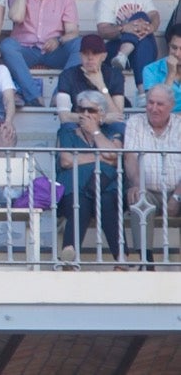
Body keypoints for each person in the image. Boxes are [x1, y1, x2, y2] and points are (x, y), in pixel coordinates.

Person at [0, 0, 82, 107]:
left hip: (54, 51)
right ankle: (34, 97)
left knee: (81, 44)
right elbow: (17, 17)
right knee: (7, 45)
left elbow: (73, 32)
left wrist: (59, 40)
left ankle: (60, 95)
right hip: (25, 51)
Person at [55, 90, 124, 267]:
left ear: (101, 113)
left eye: (91, 110)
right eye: (81, 109)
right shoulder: (67, 131)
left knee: (108, 201)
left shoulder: (112, 132)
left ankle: (121, 258)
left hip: (105, 188)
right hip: (74, 188)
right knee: (80, 203)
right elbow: (66, 160)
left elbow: (114, 156)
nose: (85, 114)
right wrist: (99, 157)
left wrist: (94, 132)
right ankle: (69, 255)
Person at [123, 84, 181, 266]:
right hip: (148, 189)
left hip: (178, 189)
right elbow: (130, 157)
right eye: (150, 102)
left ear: (171, 105)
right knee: (139, 199)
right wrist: (138, 185)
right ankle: (146, 263)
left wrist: (177, 196)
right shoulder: (135, 122)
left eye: (160, 104)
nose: (154, 108)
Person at [96, 0, 159, 106]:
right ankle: (143, 92)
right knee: (140, 19)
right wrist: (124, 28)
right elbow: (103, 31)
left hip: (133, 53)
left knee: (142, 19)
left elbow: (154, 15)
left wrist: (151, 27)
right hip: (114, 49)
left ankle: (124, 54)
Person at [54, 34, 127, 137]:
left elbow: (117, 117)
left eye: (95, 53)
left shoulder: (115, 75)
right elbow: (64, 117)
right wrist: (102, 119)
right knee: (67, 127)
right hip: (79, 127)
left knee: (119, 127)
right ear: (80, 55)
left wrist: (101, 85)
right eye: (85, 53)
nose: (90, 58)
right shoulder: (67, 75)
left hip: (106, 129)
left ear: (104, 56)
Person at [142, 24, 181, 111]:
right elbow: (155, 108)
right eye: (174, 48)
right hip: (162, 122)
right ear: (168, 45)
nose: (177, 54)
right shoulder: (150, 70)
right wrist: (170, 75)